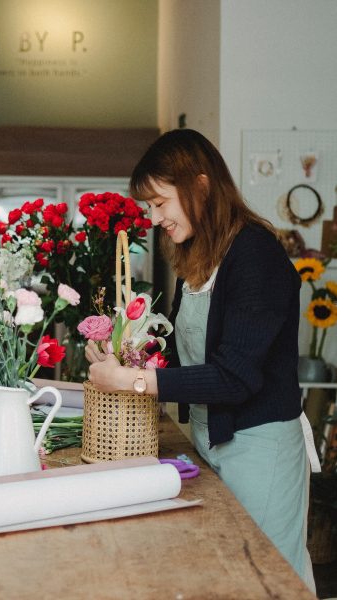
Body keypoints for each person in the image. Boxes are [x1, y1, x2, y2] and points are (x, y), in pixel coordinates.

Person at [85, 129, 316, 590]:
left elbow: (235, 377)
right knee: (228, 573)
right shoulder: (198, 257)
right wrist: (128, 352)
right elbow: (178, 346)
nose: (154, 219)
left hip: (260, 448)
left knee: (268, 577)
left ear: (201, 185)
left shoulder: (255, 255)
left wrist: (132, 381)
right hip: (213, 441)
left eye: (160, 203)